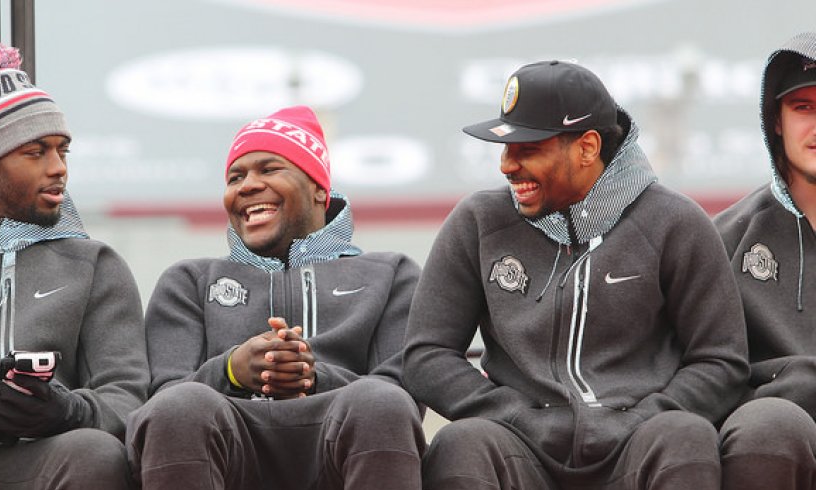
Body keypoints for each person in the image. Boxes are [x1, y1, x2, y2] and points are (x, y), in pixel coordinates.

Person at [403, 60, 750, 489]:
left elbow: (721, 360)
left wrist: (644, 417)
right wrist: (513, 414)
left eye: (527, 149)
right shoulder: (478, 220)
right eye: (505, 149)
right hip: (519, 441)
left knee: (685, 435)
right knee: (463, 443)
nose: (507, 165)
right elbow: (427, 354)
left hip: (639, 441)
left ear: (587, 147)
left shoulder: (675, 222)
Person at [126, 105, 426, 489]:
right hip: (231, 454)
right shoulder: (189, 280)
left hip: (340, 448)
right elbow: (160, 400)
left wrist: (313, 376)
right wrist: (232, 369)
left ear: (320, 188)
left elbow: (406, 396)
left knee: (381, 402)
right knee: (179, 408)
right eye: (236, 177)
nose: (247, 185)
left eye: (269, 169)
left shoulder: (391, 274)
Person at [0, 44, 148, 489]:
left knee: (96, 452)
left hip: (42, 461)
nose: (58, 168)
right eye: (36, 152)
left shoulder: (96, 265)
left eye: (63, 151)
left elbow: (130, 396)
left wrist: (70, 410)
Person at [714, 32, 816, 489]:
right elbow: (697, 373)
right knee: (769, 426)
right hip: (774, 435)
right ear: (775, 120)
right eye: (804, 108)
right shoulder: (723, 239)